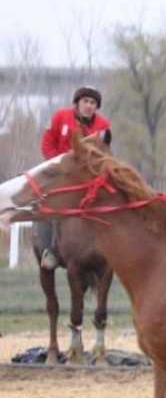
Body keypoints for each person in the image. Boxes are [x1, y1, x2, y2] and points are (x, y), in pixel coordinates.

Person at [37, 86, 113, 269]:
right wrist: (60, 166)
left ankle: (109, 248)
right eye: (85, 101)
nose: (89, 106)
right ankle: (49, 250)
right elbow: (47, 144)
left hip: (87, 178)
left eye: (93, 103)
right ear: (77, 103)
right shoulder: (60, 117)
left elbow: (104, 154)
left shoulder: (103, 126)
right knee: (43, 203)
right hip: (59, 174)